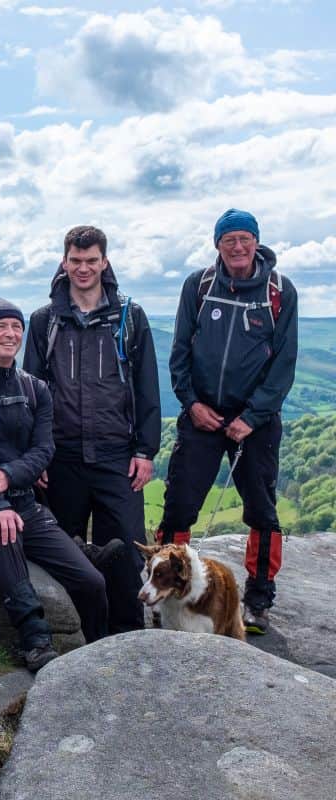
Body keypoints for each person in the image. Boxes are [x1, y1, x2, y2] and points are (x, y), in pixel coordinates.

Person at [0, 300, 107, 671]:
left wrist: (7, 478)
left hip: (24, 502)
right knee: (5, 534)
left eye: (17, 327)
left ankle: (99, 655)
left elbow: (43, 449)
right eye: (1, 327)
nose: (11, 334)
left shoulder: (35, 390)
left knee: (91, 581)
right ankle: (35, 638)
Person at [157, 209, 298, 635]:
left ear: (256, 242)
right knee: (179, 505)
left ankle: (258, 600)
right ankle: (167, 589)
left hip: (255, 424)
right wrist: (192, 404)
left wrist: (252, 417)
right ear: (217, 245)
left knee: (262, 511)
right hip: (202, 416)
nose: (237, 247)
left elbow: (285, 362)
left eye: (244, 239)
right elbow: (180, 351)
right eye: (228, 240)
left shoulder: (278, 291)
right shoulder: (198, 287)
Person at [23, 226, 159, 636]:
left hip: (117, 455)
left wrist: (145, 450)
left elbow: (146, 387)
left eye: (91, 261)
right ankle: (74, 635)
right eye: (76, 261)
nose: (83, 269)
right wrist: (36, 455)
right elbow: (31, 391)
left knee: (126, 552)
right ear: (64, 262)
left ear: (105, 262)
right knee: (65, 550)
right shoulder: (45, 321)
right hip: (61, 456)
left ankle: (126, 637)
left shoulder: (129, 318)